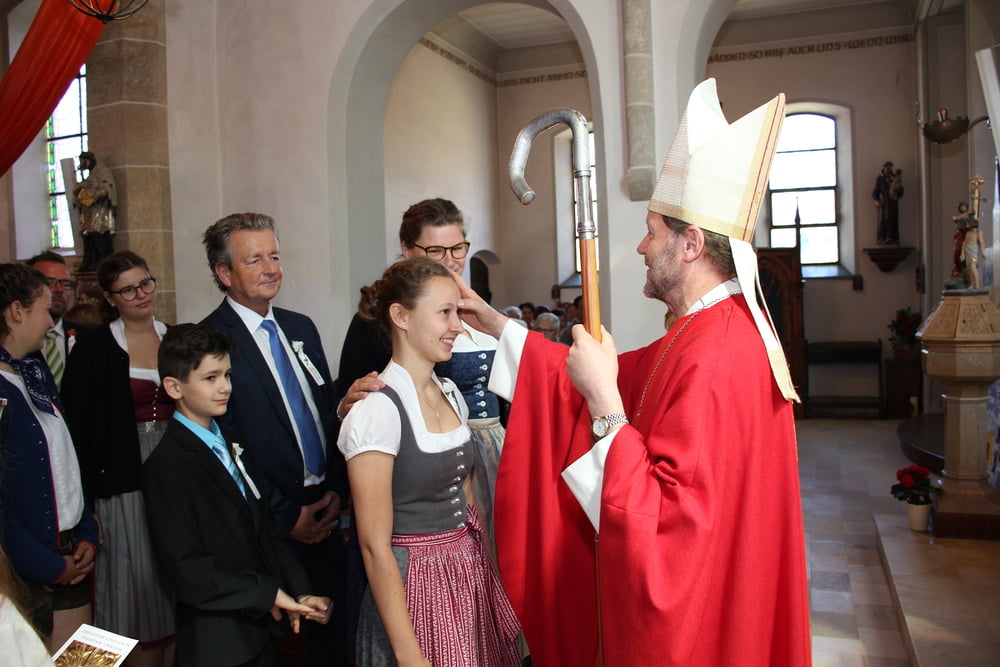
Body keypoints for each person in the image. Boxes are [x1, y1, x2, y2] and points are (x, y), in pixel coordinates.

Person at [452, 79, 810, 666]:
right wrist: (499, 327)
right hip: (722, 599)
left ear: (691, 244)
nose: (642, 247)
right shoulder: (705, 331)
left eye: (652, 232)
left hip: (694, 628)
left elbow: (667, 529)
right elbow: (612, 374)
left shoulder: (715, 353)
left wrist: (604, 405)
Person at [338, 258, 520, 667]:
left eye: (457, 312)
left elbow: (469, 501)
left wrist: (492, 586)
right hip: (412, 585)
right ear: (400, 316)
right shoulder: (376, 410)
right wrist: (409, 654)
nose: (457, 326)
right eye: (444, 312)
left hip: (468, 574)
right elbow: (374, 547)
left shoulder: (451, 393)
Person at [199, 212, 349, 665]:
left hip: (324, 509)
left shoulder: (300, 327)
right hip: (264, 522)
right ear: (224, 273)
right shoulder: (210, 340)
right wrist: (286, 517)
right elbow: (225, 443)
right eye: (255, 260)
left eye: (275, 256)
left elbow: (323, 412)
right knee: (277, 647)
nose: (271, 269)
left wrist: (336, 491)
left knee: (331, 637)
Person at [142, 324, 331, 666]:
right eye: (210, 378)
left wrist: (299, 589)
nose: (225, 387)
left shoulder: (232, 442)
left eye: (227, 375)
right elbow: (188, 570)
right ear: (174, 387)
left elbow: (264, 529)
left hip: (260, 630)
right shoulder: (167, 465)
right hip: (217, 642)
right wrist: (265, 594)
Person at [337, 198, 506, 537]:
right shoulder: (377, 321)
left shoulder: (481, 315)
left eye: (458, 248)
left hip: (495, 456)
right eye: (435, 250)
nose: (450, 260)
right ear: (407, 249)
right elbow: (354, 401)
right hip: (421, 470)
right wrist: (346, 406)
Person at [62, 251, 175, 665]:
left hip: (175, 468)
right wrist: (86, 506)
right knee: (129, 580)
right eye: (128, 290)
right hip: (121, 474)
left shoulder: (176, 338)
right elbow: (78, 431)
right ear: (110, 298)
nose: (141, 294)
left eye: (145, 283)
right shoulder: (93, 349)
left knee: (170, 578)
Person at [0, 263, 99, 653]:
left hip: (70, 557)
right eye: (44, 309)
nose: (50, 320)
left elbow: (64, 461)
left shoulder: (34, 372)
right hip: (27, 568)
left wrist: (86, 530)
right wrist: (48, 565)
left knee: (84, 662)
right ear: (16, 311)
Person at [25, 252, 86, 389]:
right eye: (50, 283)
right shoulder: (16, 341)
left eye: (65, 283)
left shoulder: (86, 338)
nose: (59, 289)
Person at [71, 152, 117, 272]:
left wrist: (95, 195)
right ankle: (91, 263)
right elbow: (81, 191)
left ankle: (103, 263)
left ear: (88, 160)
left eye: (83, 161)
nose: (82, 165)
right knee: (88, 235)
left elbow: (107, 187)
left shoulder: (102, 171)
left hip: (100, 212)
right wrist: (81, 188)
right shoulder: (91, 174)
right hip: (89, 211)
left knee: (97, 235)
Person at [873, 160, 902, 245]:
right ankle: (882, 238)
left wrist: (899, 190)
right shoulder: (880, 178)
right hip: (884, 203)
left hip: (893, 202)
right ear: (884, 168)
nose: (888, 170)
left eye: (890, 168)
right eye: (887, 168)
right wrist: (876, 200)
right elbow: (875, 192)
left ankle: (892, 238)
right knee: (884, 220)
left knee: (893, 219)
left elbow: (899, 191)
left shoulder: (894, 178)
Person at [961, 215, 986, 289]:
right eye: (966, 224)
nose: (967, 225)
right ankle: (972, 284)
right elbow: (964, 243)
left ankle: (977, 284)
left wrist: (982, 252)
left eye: (968, 224)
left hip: (973, 250)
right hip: (968, 250)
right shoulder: (968, 233)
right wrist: (962, 254)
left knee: (973, 267)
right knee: (969, 268)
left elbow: (981, 243)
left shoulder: (978, 233)